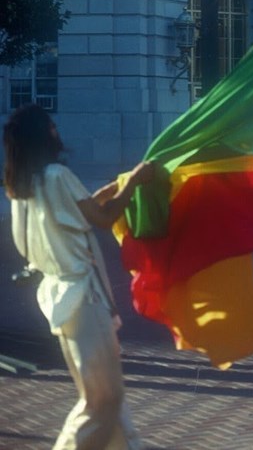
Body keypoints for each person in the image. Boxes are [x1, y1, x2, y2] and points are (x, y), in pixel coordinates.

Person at [3, 103, 155, 450]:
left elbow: (81, 211)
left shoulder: (23, 187)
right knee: (104, 398)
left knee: (105, 393)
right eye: (51, 127)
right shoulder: (57, 175)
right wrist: (134, 180)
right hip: (82, 298)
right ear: (43, 136)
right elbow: (103, 219)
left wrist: (111, 189)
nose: (57, 132)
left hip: (60, 296)